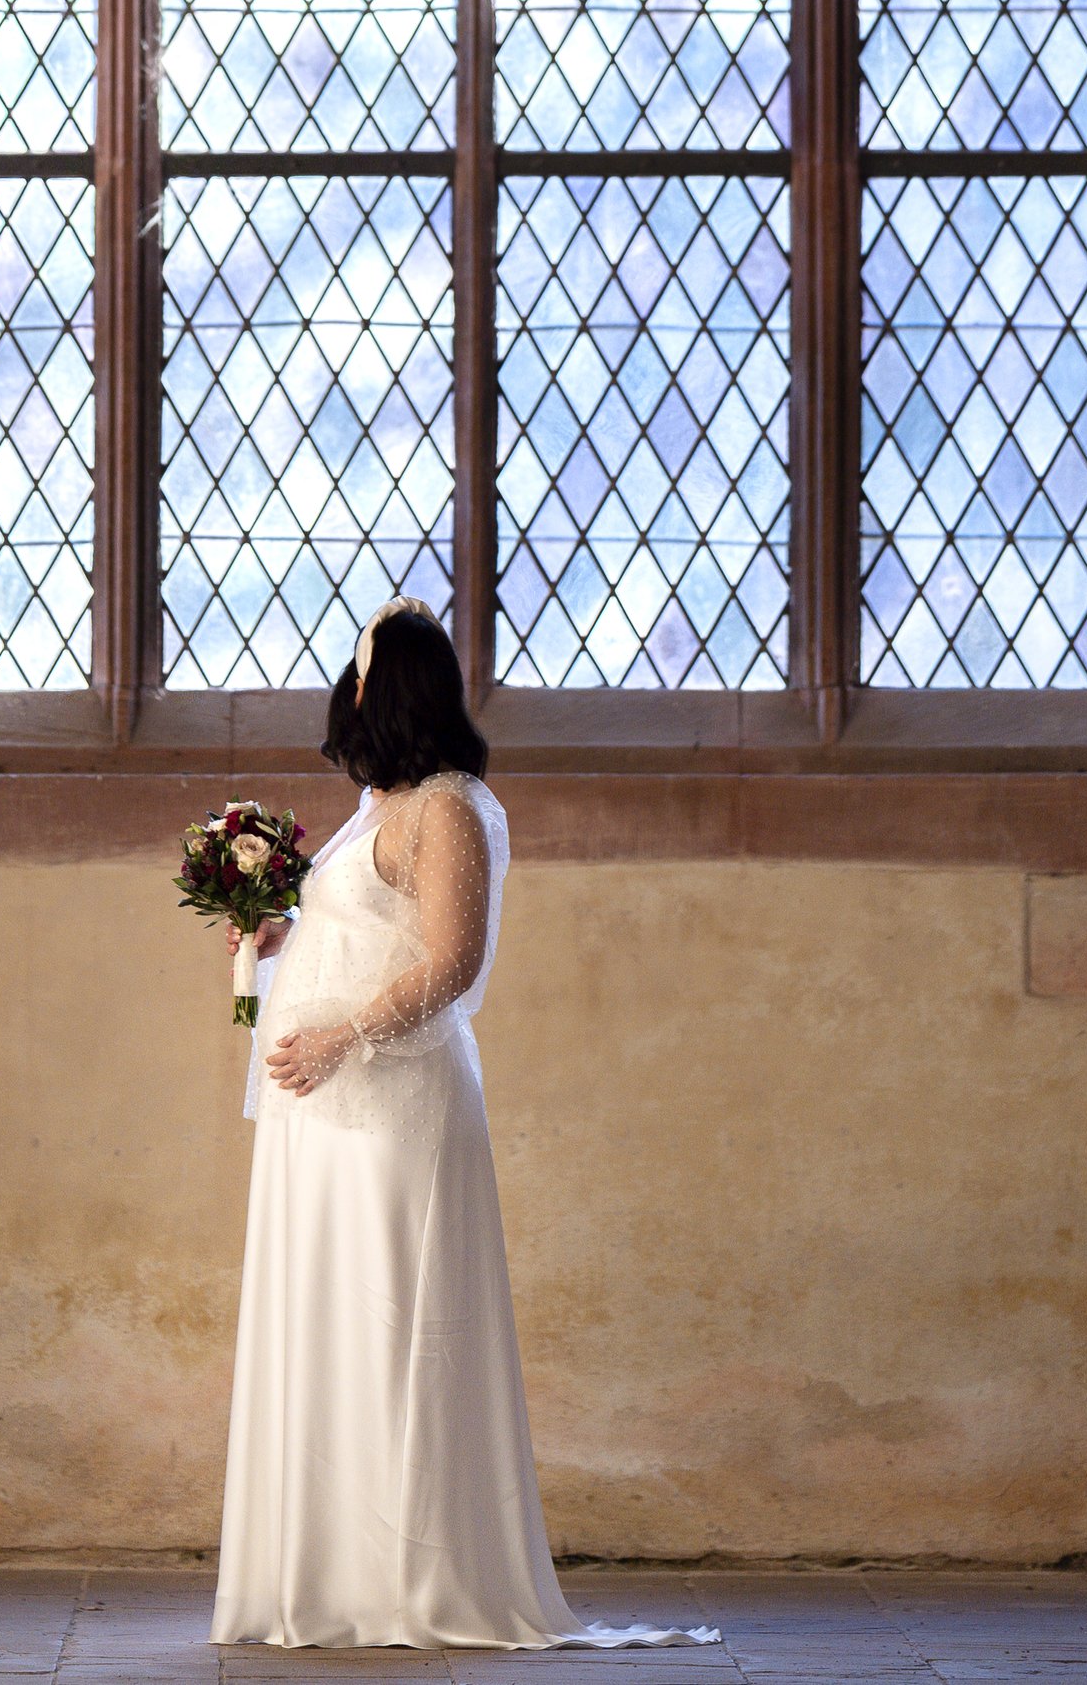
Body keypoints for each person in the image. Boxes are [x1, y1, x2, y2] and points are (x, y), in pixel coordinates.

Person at [212, 597, 714, 1654]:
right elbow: (366, 931)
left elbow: (450, 964)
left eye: (353, 680)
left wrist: (341, 1036)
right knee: (333, 1320)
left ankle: (408, 1575)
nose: (341, 697)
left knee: (397, 1320)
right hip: (325, 1113)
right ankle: (331, 1570)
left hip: (392, 1108)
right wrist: (280, 933)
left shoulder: (447, 809)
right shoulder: (380, 807)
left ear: (377, 692)